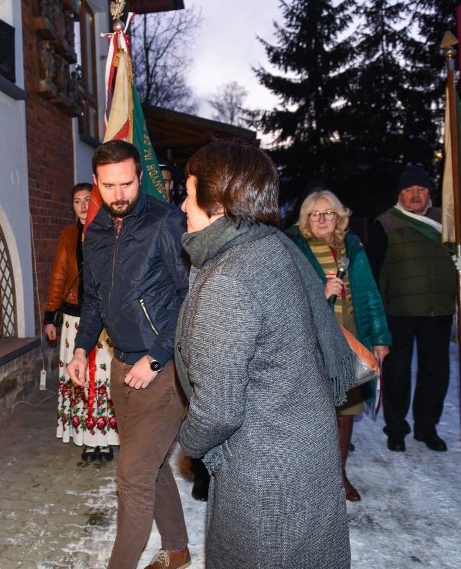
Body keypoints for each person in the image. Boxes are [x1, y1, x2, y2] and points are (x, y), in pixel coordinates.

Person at [176, 139, 351, 568]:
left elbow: (218, 409)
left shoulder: (230, 278)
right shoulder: (273, 248)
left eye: (188, 190)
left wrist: (189, 442)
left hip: (264, 472)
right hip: (305, 448)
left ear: (217, 201)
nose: (182, 205)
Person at [68, 140, 190, 569]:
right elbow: (95, 299)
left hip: (164, 369)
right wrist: (83, 348)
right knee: (152, 467)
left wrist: (157, 355)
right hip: (121, 368)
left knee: (132, 476)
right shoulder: (97, 231)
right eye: (109, 186)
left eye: (127, 184)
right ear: (97, 183)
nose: (119, 195)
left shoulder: (167, 222)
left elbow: (190, 296)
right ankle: (177, 551)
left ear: (140, 177)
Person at [289, 188, 391, 501]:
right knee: (312, 408)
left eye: (328, 213)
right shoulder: (295, 248)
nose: (322, 219)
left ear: (339, 216)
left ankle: (338, 474)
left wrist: (379, 338)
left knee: (346, 408)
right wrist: (321, 292)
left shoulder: (352, 247)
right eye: (315, 214)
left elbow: (370, 295)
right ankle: (307, 477)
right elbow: (285, 297)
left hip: (349, 336)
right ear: (306, 218)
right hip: (312, 339)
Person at [367, 164, 461, 453]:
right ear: (400, 194)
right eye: (409, 190)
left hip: (438, 311)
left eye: (421, 190)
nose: (415, 195)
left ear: (429, 194)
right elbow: (373, 271)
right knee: (397, 374)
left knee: (435, 373)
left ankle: (427, 427)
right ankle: (396, 429)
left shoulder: (449, 223)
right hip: (398, 313)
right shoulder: (385, 223)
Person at [44, 183, 118, 462]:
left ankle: (107, 439)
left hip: (104, 321)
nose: (84, 206)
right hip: (75, 319)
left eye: (89, 199)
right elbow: (59, 275)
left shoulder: (110, 230)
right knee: (80, 380)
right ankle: (88, 440)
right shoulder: (67, 235)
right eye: (77, 201)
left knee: (104, 379)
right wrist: (50, 316)